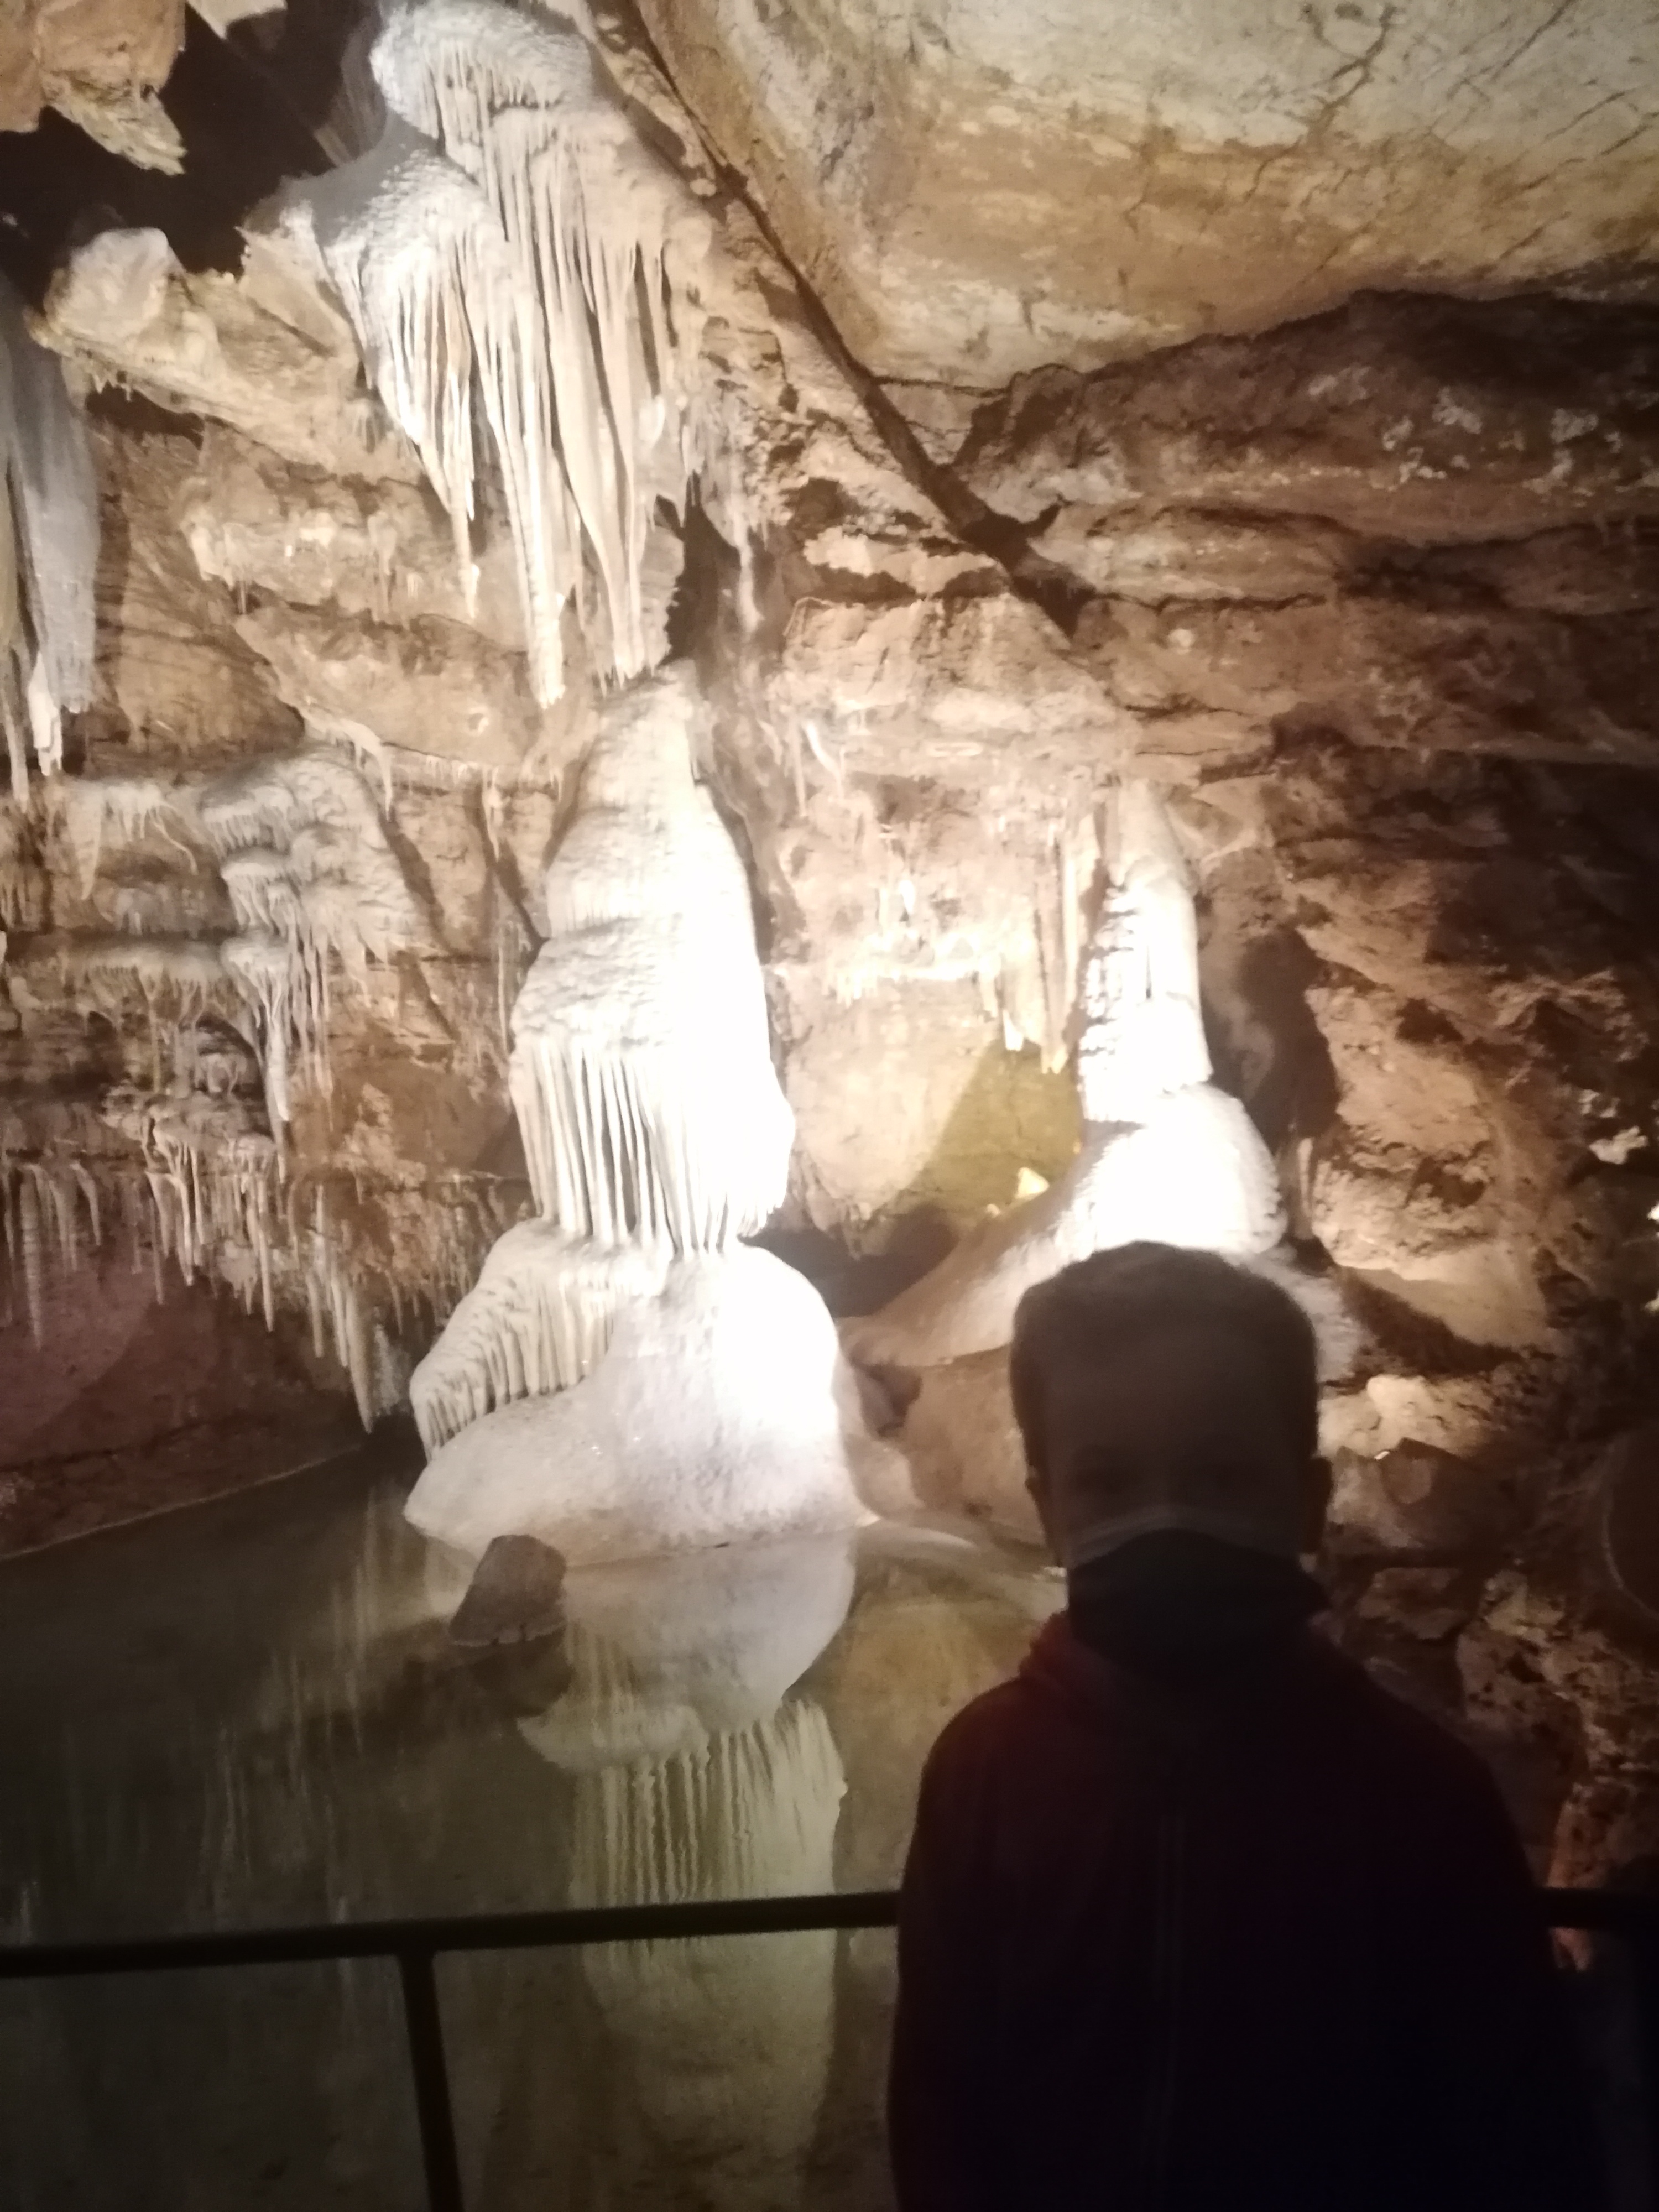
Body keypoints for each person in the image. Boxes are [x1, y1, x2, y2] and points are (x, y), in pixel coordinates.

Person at [889, 1241, 1603, 2212]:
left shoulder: (1418, 1799)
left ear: (1306, 1504)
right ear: (1048, 1509)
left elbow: (1514, 2134)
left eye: (1221, 1476)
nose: (1166, 1519)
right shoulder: (985, 1775)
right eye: (1109, 1482)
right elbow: (941, 2100)